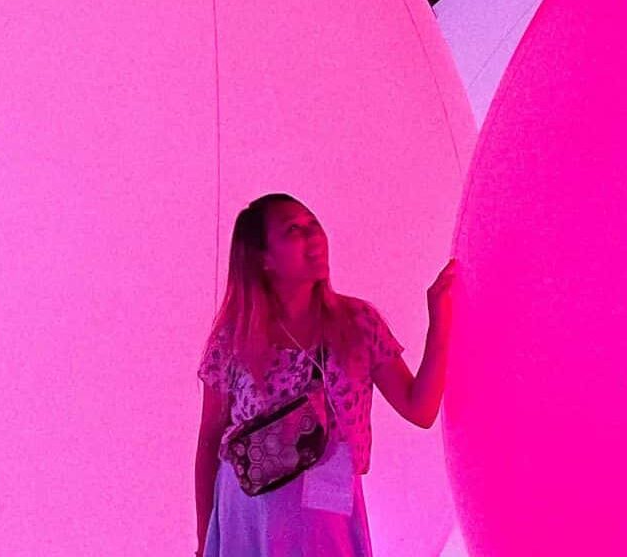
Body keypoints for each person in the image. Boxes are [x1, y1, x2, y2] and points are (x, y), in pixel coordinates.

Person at [194, 193, 455, 556]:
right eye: (293, 230)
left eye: (313, 224)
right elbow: (209, 442)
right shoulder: (235, 337)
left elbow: (420, 409)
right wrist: (204, 541)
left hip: (327, 518)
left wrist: (439, 325)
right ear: (264, 259)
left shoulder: (358, 323)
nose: (313, 236)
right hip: (250, 518)